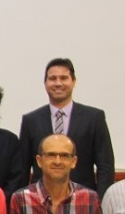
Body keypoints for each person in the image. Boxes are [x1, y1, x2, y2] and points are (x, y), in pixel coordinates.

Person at [19, 58, 114, 198]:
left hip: (83, 200)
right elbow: (22, 168)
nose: (58, 83)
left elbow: (105, 165)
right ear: (45, 83)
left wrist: (101, 202)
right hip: (39, 201)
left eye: (64, 78)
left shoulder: (94, 118)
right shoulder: (30, 121)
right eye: (52, 78)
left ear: (73, 81)